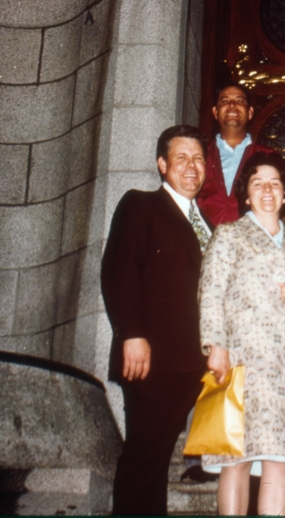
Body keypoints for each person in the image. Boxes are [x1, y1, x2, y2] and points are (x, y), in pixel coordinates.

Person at [198, 152, 285, 515]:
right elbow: (211, 292)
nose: (267, 190)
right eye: (258, 184)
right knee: (236, 457)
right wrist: (215, 345)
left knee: (278, 458)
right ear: (247, 195)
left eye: (275, 183)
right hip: (242, 361)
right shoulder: (229, 235)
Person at [101, 125, 210, 515]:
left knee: (159, 459)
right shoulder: (140, 205)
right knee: (145, 458)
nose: (191, 166)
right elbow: (119, 268)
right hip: (152, 358)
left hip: (195, 363)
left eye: (198, 158)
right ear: (162, 165)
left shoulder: (206, 221)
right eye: (181, 158)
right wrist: (132, 333)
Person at [197, 82, 274, 227]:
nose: (232, 105)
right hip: (206, 243)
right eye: (225, 101)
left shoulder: (267, 156)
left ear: (250, 112)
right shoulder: (200, 155)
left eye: (239, 101)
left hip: (253, 242)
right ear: (215, 112)